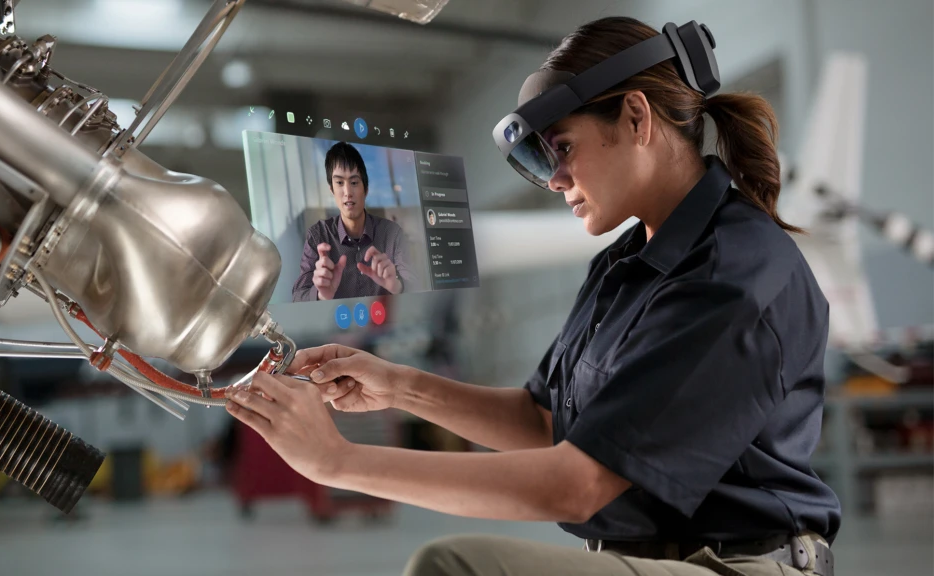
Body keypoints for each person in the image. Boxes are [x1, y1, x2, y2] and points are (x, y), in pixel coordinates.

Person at [228, 16, 839, 576]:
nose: (554, 179)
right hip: (652, 560)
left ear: (636, 117)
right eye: (541, 159)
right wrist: (398, 385)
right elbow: (544, 420)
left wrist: (339, 464)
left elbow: (578, 485)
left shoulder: (732, 272)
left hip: (734, 566)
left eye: (563, 147)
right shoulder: (623, 269)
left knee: (455, 568)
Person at [291, 142, 418, 301]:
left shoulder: (392, 233)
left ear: (366, 189)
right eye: (339, 183)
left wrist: (398, 286)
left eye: (354, 182)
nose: (347, 192)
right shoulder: (317, 236)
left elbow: (417, 286)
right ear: (332, 190)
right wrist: (320, 295)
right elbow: (297, 296)